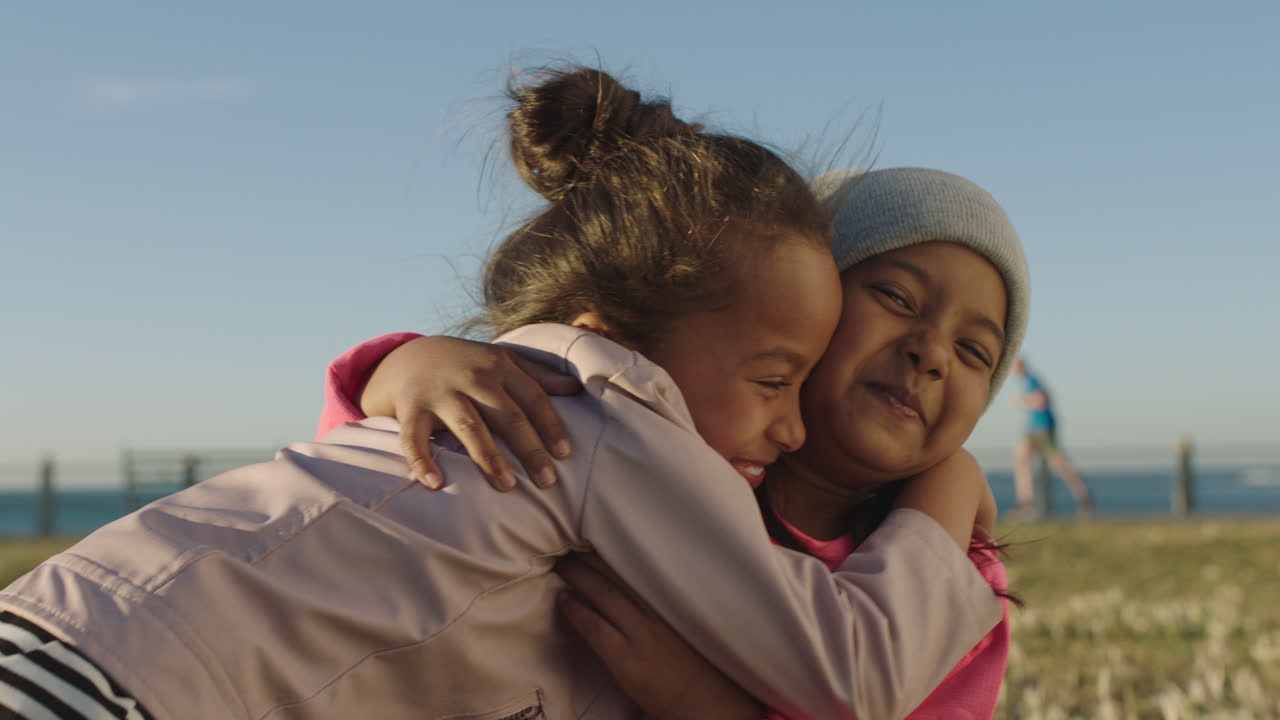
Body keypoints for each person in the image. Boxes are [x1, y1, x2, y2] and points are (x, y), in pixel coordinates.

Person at [0, 67, 1001, 720]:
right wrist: (946, 495)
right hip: (128, 682)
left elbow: (367, 515)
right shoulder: (621, 423)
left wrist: (395, 368)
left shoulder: (573, 416)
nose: (781, 425)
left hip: (84, 629)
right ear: (616, 341)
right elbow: (852, 675)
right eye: (773, 378)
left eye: (977, 351)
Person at [318, 165, 1031, 720]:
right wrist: (401, 370)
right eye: (897, 298)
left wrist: (708, 707)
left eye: (975, 352)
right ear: (801, 305)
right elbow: (387, 506)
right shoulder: (655, 451)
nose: (932, 352)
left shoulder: (952, 590)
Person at [1012, 356, 1095, 517]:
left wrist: (1022, 401)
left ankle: (1084, 498)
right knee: (1020, 459)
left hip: (1043, 429)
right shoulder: (1027, 381)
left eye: (1013, 367)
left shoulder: (1032, 379)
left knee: (1059, 465)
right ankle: (1025, 503)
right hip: (1033, 430)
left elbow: (1041, 401)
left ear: (1020, 367)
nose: (1011, 372)